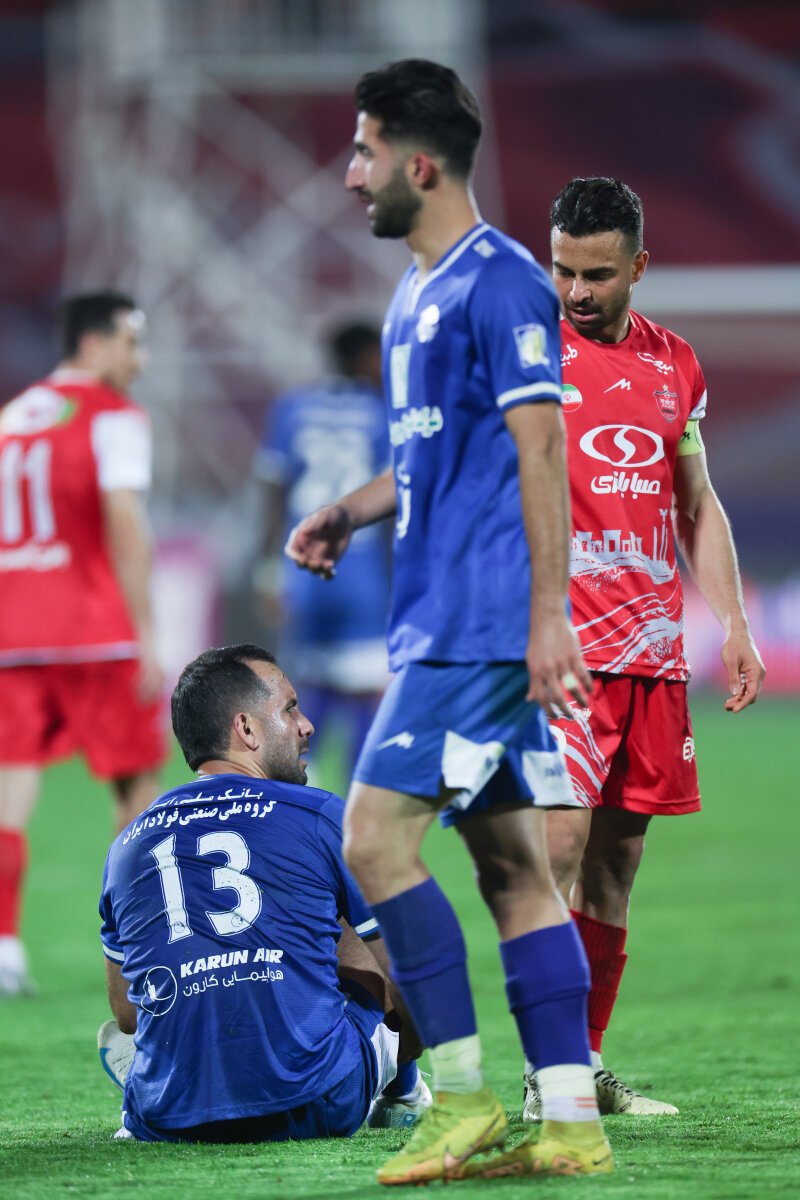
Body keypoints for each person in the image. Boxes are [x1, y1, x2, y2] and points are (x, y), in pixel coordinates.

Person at [286, 60, 614, 1183]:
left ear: (418, 164)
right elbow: (430, 459)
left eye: (364, 152)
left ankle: (462, 1099)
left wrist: (545, 618)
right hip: (442, 620)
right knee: (514, 870)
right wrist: (349, 509)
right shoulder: (412, 294)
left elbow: (541, 448)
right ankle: (570, 1123)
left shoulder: (501, 283)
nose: (350, 175)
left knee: (372, 841)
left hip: (478, 630)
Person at [521, 177, 765, 1121]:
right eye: (563, 270)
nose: (576, 291)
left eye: (597, 274)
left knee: (614, 869)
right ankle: (546, 1074)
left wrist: (733, 622)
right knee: (558, 844)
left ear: (639, 268)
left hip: (653, 652)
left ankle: (582, 1066)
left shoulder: (676, 365)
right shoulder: (526, 352)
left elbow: (695, 504)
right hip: (560, 651)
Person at [97, 644, 430, 1143]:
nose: (306, 725)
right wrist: (411, 1045)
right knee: (359, 920)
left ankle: (174, 1073)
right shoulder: (321, 815)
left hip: (166, 1118)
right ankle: (403, 1094)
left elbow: (126, 1015)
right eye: (290, 708)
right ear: (246, 729)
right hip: (317, 1103)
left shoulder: (126, 845)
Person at [0, 291, 167, 998]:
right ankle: (142, 946)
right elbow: (124, 523)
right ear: (94, 344)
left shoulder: (13, 417)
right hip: (95, 633)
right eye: (132, 343)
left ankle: (4, 947)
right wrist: (148, 632)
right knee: (137, 788)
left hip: (13, 633)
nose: (141, 359)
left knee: (10, 791)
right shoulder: (113, 415)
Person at [252, 322, 391, 789]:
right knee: (367, 696)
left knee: (300, 696)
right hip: (361, 570)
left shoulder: (292, 406)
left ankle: (291, 798)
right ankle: (355, 807)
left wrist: (268, 570)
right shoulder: (380, 411)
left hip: (301, 569)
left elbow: (274, 492)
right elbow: (392, 499)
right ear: (362, 358)